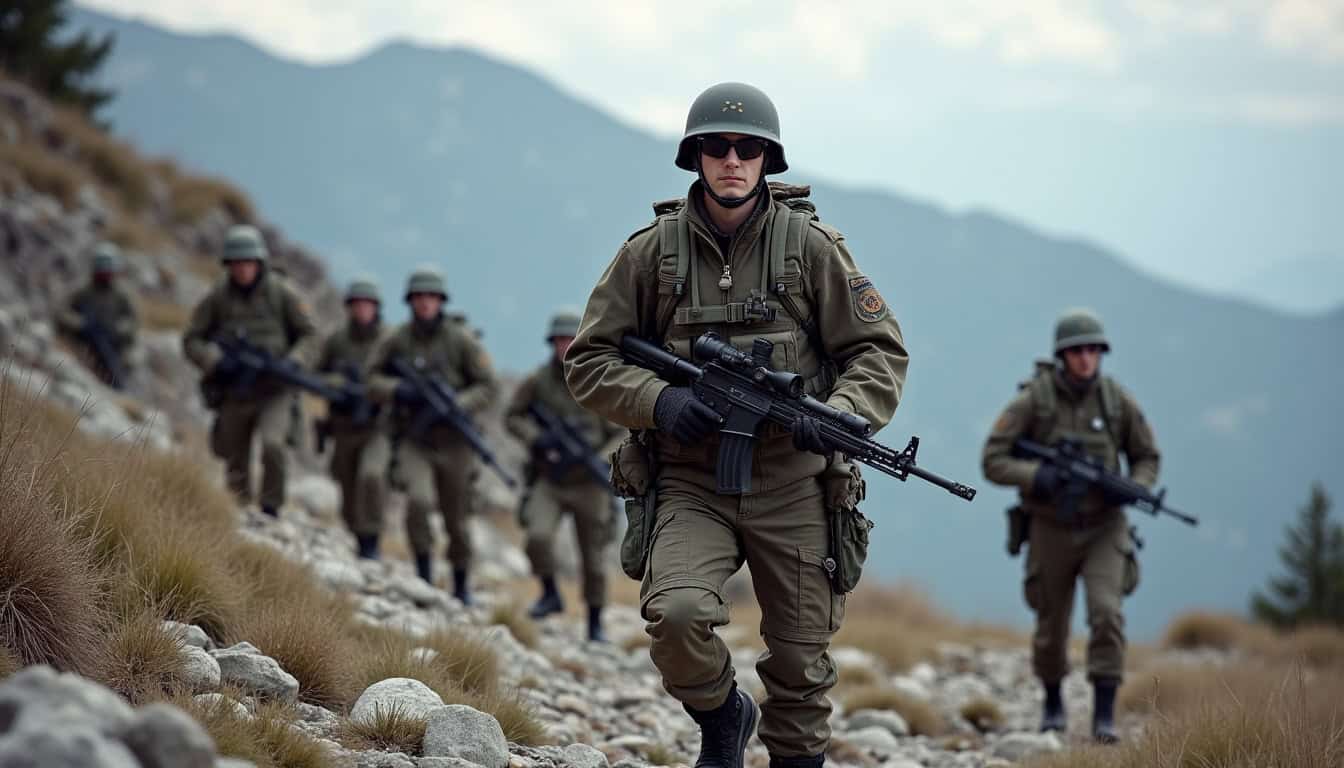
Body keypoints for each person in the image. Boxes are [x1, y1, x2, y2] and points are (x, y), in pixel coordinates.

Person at [564, 82, 908, 768]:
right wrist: (660, 402)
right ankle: (724, 716)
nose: (731, 160)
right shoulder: (650, 254)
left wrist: (839, 415)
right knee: (678, 617)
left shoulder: (810, 247)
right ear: (695, 156)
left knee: (802, 665)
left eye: (747, 148)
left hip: (796, 482)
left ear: (766, 160)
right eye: (716, 147)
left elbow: (878, 350)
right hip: (692, 481)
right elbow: (590, 360)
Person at [981, 308, 1160, 744]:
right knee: (1050, 624)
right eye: (1077, 351)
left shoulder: (1116, 401)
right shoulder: (1034, 401)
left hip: (1105, 526)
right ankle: (1053, 702)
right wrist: (1036, 477)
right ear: (1062, 355)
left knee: (1106, 612)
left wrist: (1134, 487)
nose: (1086, 358)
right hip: (1050, 527)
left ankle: (1103, 714)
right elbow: (993, 459)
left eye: (1093, 350)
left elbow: (1147, 456)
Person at [367, 267, 497, 601]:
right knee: (419, 502)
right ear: (411, 302)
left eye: (431, 297)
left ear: (441, 301)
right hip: (415, 438)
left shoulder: (460, 340)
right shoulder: (397, 339)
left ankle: (460, 584)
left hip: (455, 441)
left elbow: (488, 386)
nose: (425, 303)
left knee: (457, 518)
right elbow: (371, 379)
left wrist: (458, 403)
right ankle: (424, 577)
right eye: (419, 298)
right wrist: (399, 390)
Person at [504, 310, 624, 642]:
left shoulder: (600, 381)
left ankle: (595, 623)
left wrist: (598, 459)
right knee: (537, 536)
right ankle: (549, 592)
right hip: (550, 480)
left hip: (590, 483)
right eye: (559, 340)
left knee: (594, 559)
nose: (565, 346)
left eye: (570, 340)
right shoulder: (537, 382)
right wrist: (535, 438)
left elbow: (621, 432)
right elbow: (512, 417)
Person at [183, 224, 317, 517]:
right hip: (236, 389)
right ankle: (239, 510)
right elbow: (191, 339)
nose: (243, 269)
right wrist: (214, 360)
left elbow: (309, 335)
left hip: (275, 388)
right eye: (237, 263)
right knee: (234, 454)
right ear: (229, 265)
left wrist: (294, 361)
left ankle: (270, 510)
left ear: (260, 263)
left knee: (273, 446)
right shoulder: (218, 296)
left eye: (249, 263)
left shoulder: (282, 293)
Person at [315, 275, 391, 559]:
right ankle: (358, 536)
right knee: (347, 484)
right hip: (344, 426)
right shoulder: (337, 340)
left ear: (376, 308)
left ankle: (372, 541)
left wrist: (378, 390)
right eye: (357, 304)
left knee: (371, 477)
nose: (362, 310)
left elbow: (401, 383)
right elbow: (315, 373)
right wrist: (335, 383)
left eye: (367, 304)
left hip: (377, 426)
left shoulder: (389, 341)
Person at [57, 241, 138, 389]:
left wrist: (119, 329)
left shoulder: (121, 296)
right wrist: (79, 323)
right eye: (102, 271)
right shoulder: (82, 292)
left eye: (109, 271)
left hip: (112, 344)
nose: (106, 275)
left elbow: (132, 322)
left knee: (118, 368)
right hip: (82, 343)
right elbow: (61, 313)